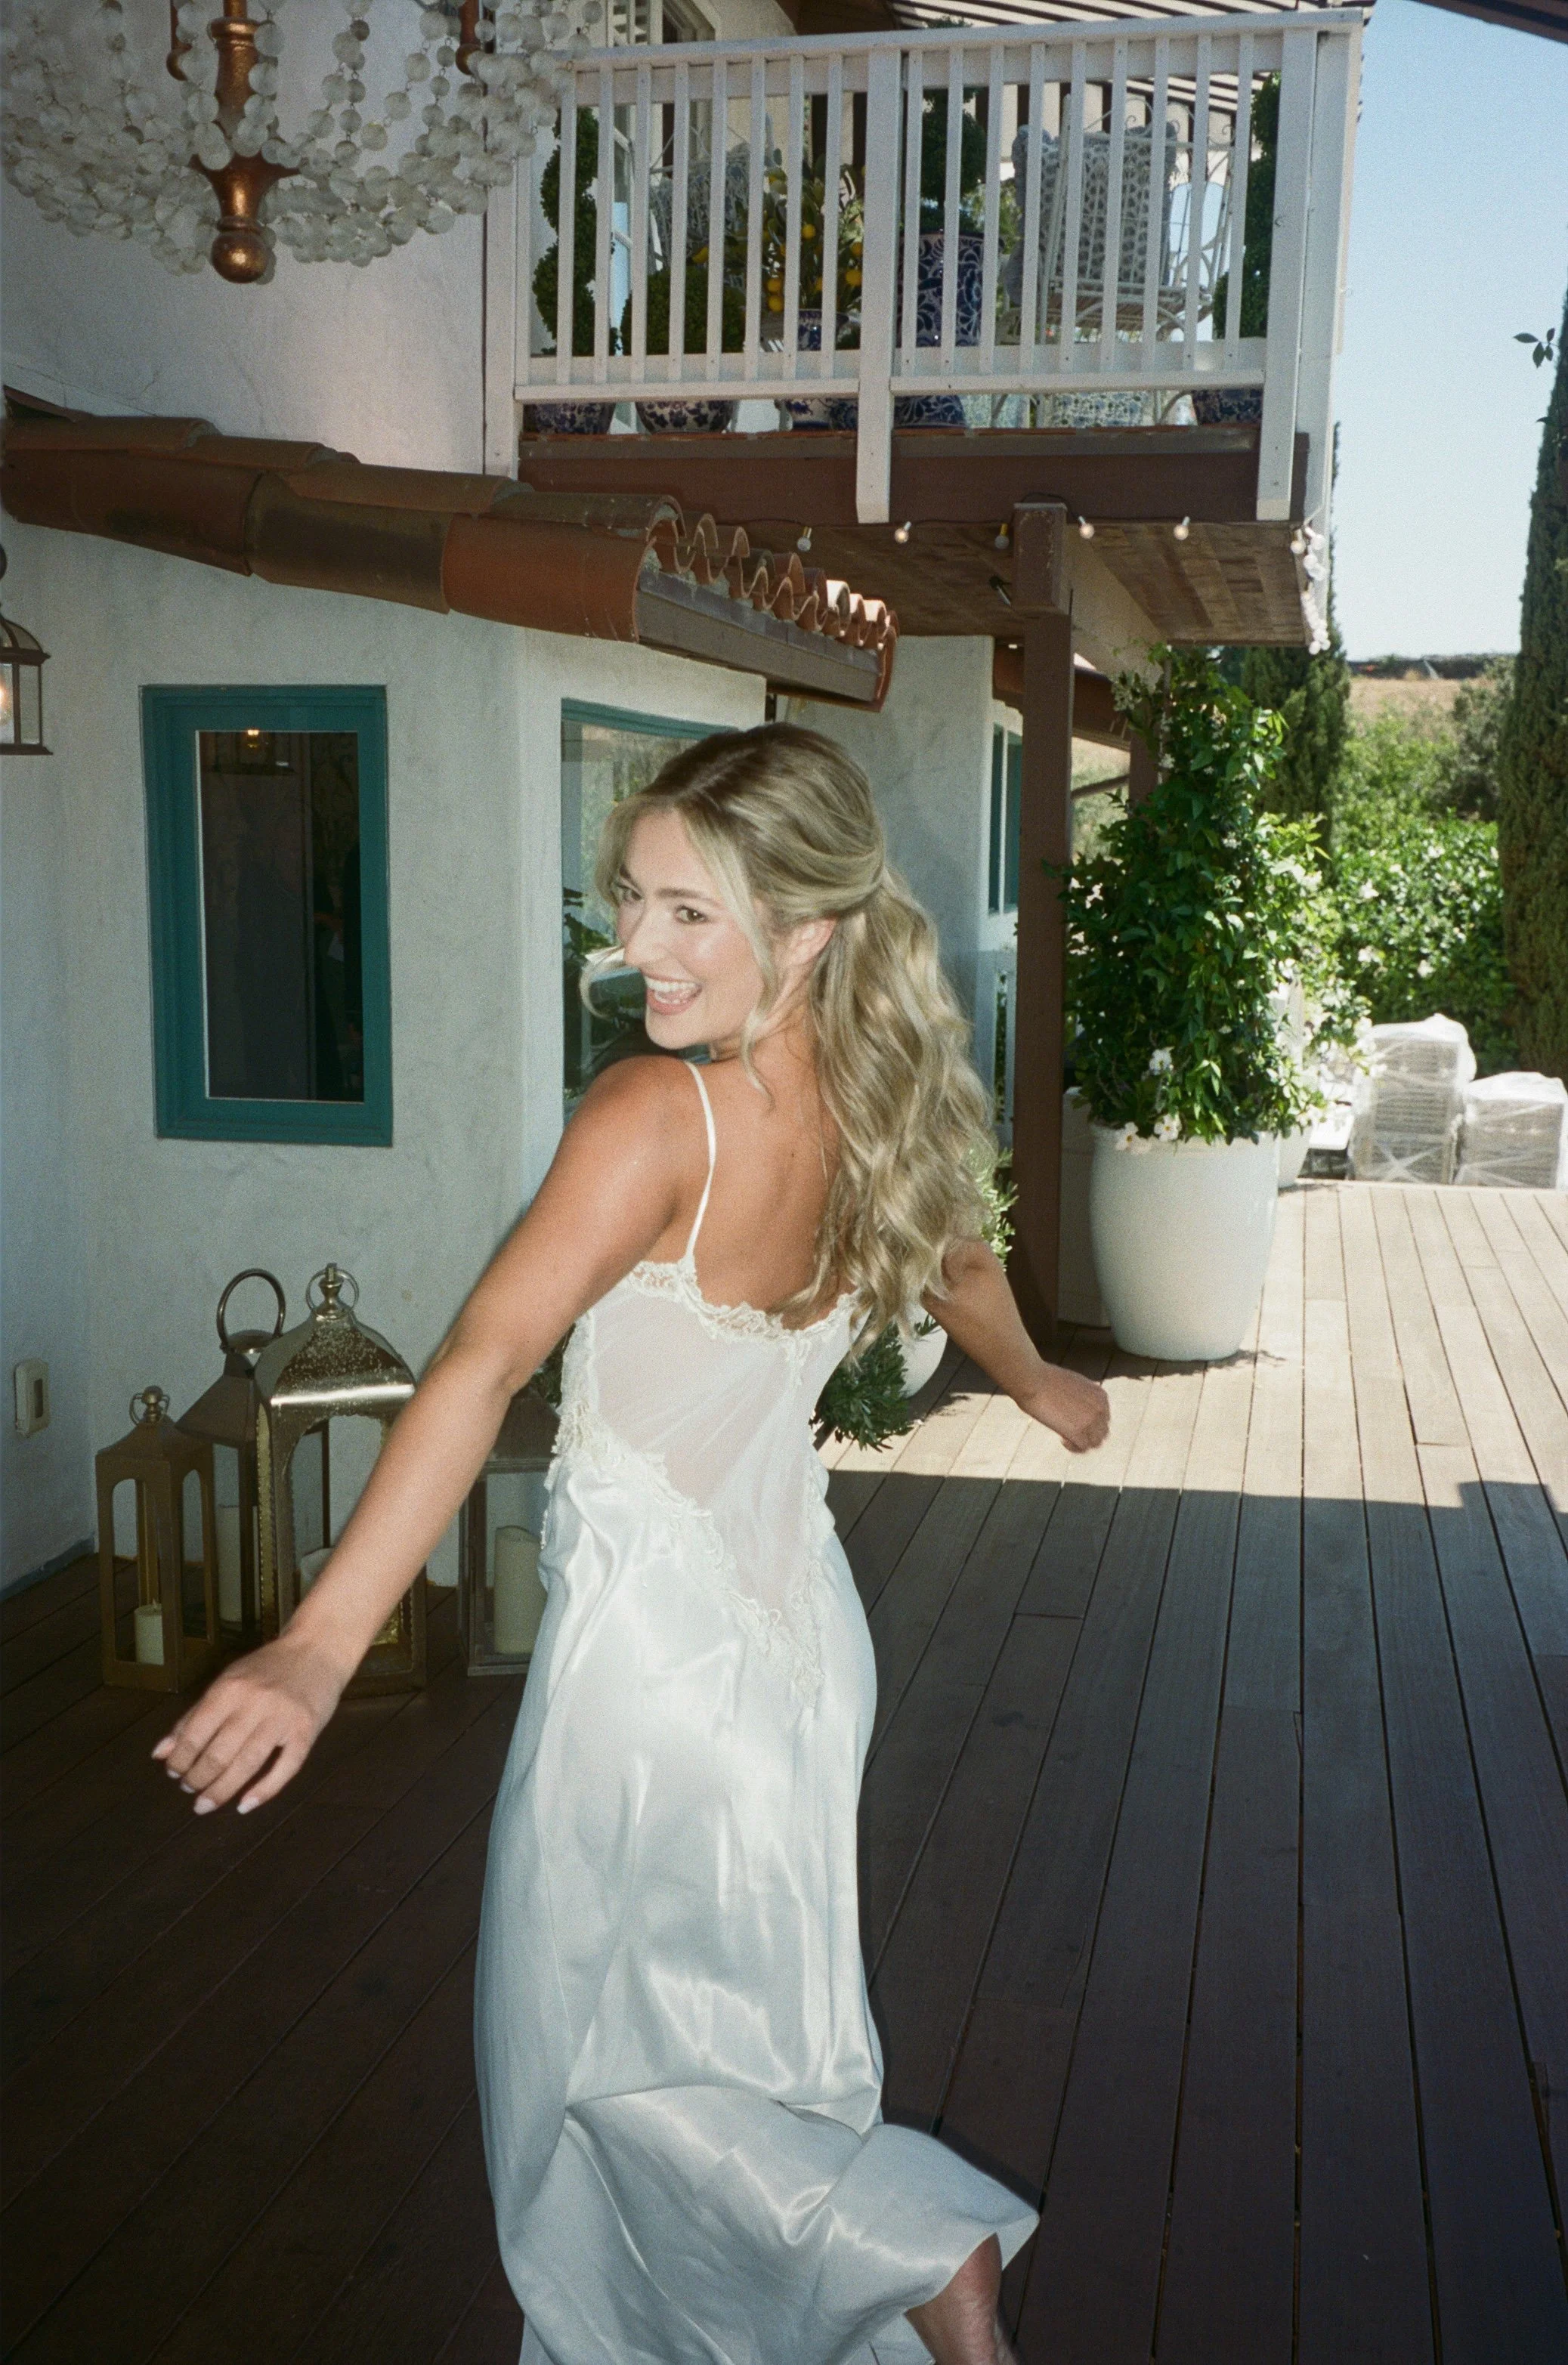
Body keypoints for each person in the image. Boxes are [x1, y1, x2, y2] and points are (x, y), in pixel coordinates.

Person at [156, 725, 1111, 2365]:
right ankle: (863, 2256)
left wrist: (317, 1645)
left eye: (687, 911)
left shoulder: (658, 1113)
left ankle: (913, 2241)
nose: (635, 948)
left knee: (583, 2065)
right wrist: (1037, 1384)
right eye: (631, 900)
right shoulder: (881, 1099)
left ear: (803, 930)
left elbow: (480, 1365)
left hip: (652, 1671)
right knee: (771, 2055)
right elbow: (961, 1266)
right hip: (802, 1658)